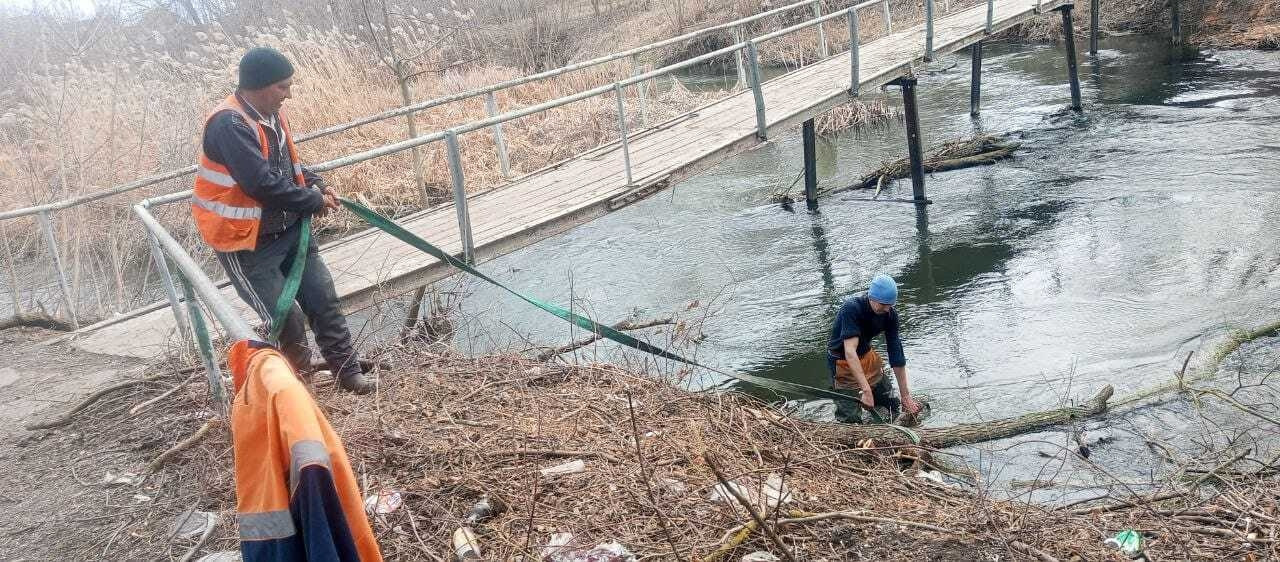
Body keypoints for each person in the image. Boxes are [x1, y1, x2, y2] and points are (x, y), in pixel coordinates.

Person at [192, 46, 373, 394]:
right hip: (246, 241)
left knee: (323, 300)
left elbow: (285, 165)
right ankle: (298, 391)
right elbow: (260, 183)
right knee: (285, 316)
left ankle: (349, 374)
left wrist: (316, 182)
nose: (288, 94)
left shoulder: (271, 114)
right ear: (259, 85)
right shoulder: (228, 124)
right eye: (283, 87)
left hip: (290, 230)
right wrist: (313, 201)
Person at [826, 274, 921, 423]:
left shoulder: (890, 315)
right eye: (883, 304)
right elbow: (850, 351)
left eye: (890, 304)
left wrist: (905, 395)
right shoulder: (852, 309)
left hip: (867, 357)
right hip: (843, 362)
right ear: (872, 297)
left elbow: (896, 354)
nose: (887, 309)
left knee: (893, 407)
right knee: (851, 421)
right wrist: (866, 390)